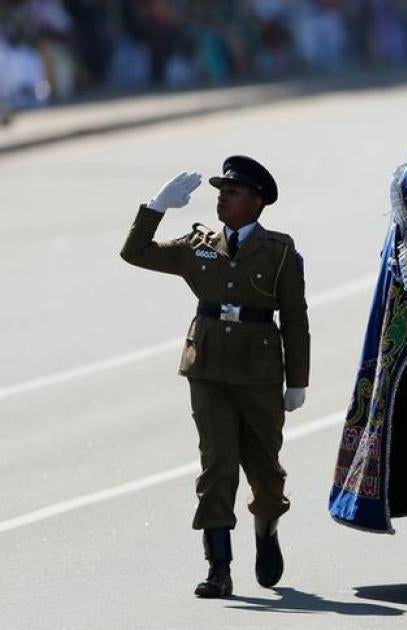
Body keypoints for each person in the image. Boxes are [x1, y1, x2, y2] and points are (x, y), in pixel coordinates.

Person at [120, 156, 310, 598]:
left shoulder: (279, 251)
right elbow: (135, 252)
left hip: (259, 373)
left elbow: (295, 318)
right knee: (217, 465)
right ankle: (218, 568)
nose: (222, 198)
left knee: (265, 472)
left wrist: (297, 380)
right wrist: (156, 207)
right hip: (207, 369)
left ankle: (266, 530)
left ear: (257, 202)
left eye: (233, 192)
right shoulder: (199, 244)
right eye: (221, 191)